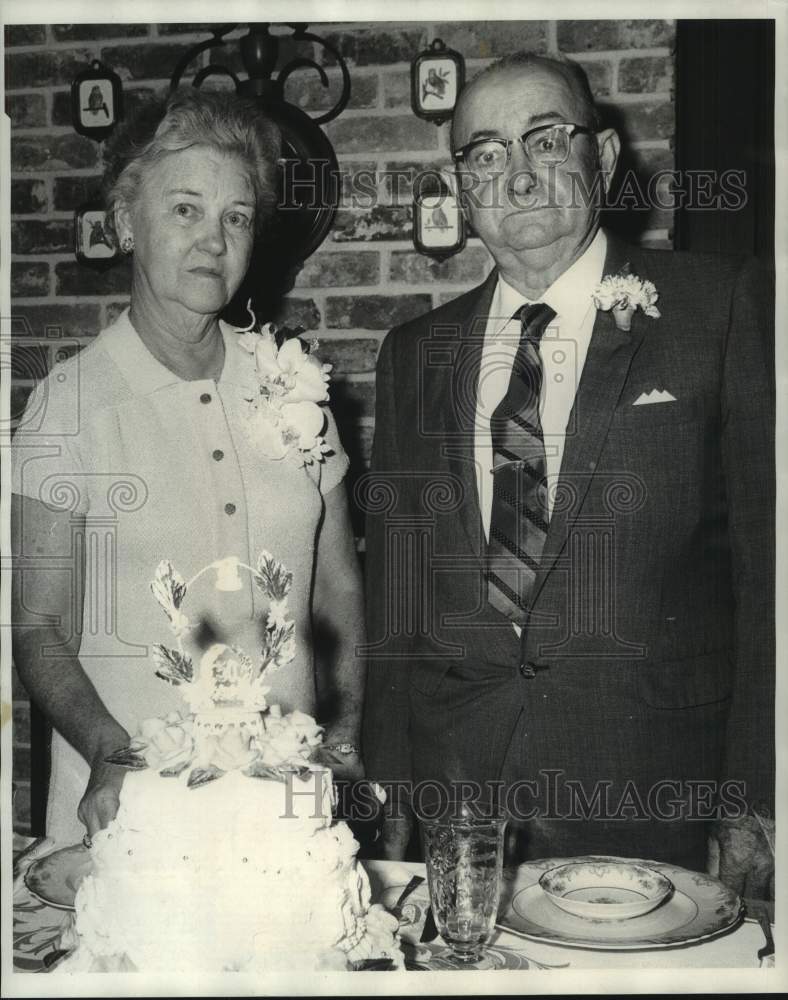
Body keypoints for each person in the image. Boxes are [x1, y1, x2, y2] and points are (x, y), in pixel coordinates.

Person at [363, 53, 774, 887]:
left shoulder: (721, 307)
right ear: (462, 185)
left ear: (607, 159)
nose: (516, 177)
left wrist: (759, 792)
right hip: (460, 793)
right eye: (485, 154)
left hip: (654, 787)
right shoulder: (413, 356)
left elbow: (776, 570)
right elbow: (397, 594)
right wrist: (388, 788)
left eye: (546, 140)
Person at [11, 88, 365, 846]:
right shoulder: (68, 405)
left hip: (281, 806)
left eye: (237, 217)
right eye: (185, 210)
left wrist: (345, 735)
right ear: (124, 223)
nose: (215, 239)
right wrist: (110, 749)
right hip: (131, 809)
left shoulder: (292, 383)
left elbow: (337, 584)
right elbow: (39, 626)